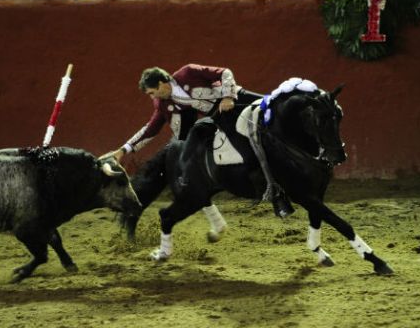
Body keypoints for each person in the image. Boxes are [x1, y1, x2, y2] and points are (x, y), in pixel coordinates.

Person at [107, 65, 294, 221]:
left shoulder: (188, 72)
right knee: (248, 154)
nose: (152, 97)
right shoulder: (164, 104)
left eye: (152, 92)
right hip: (222, 117)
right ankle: (279, 197)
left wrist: (228, 96)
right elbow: (150, 129)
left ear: (161, 84)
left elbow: (225, 72)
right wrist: (123, 150)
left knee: (277, 110)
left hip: (237, 98)